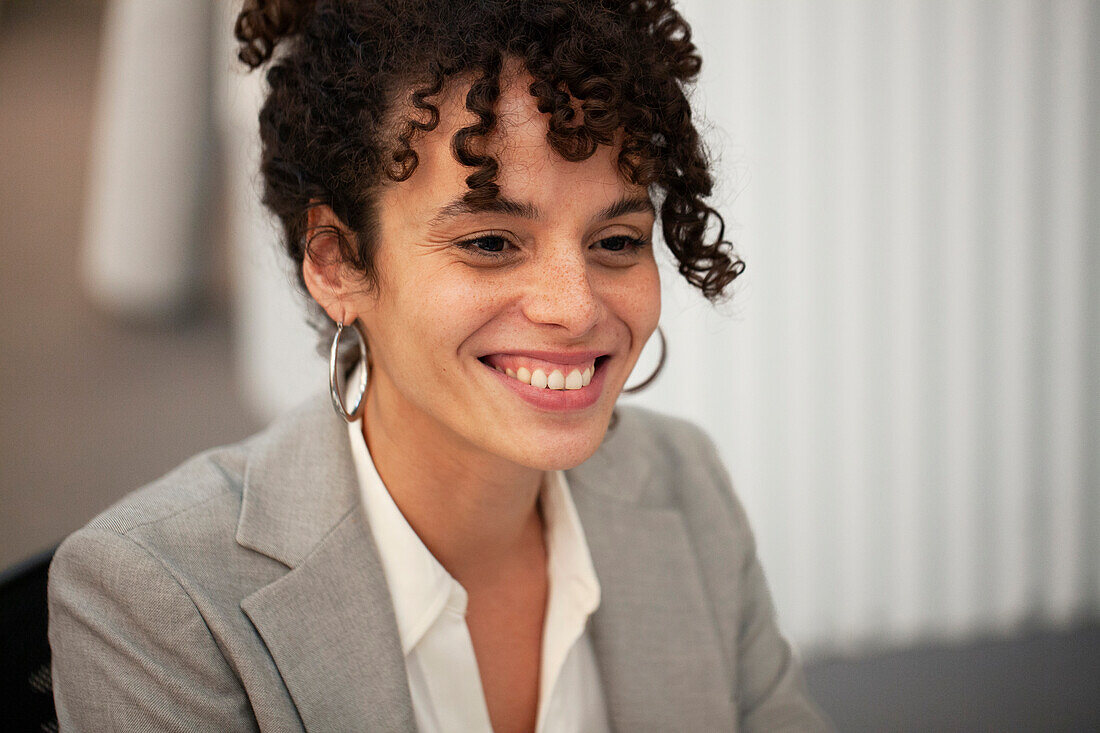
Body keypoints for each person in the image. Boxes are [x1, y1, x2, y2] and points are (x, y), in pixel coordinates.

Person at [48, 0, 832, 730]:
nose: (576, 306)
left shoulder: (685, 479)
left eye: (616, 242)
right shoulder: (155, 601)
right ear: (337, 265)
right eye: (490, 242)